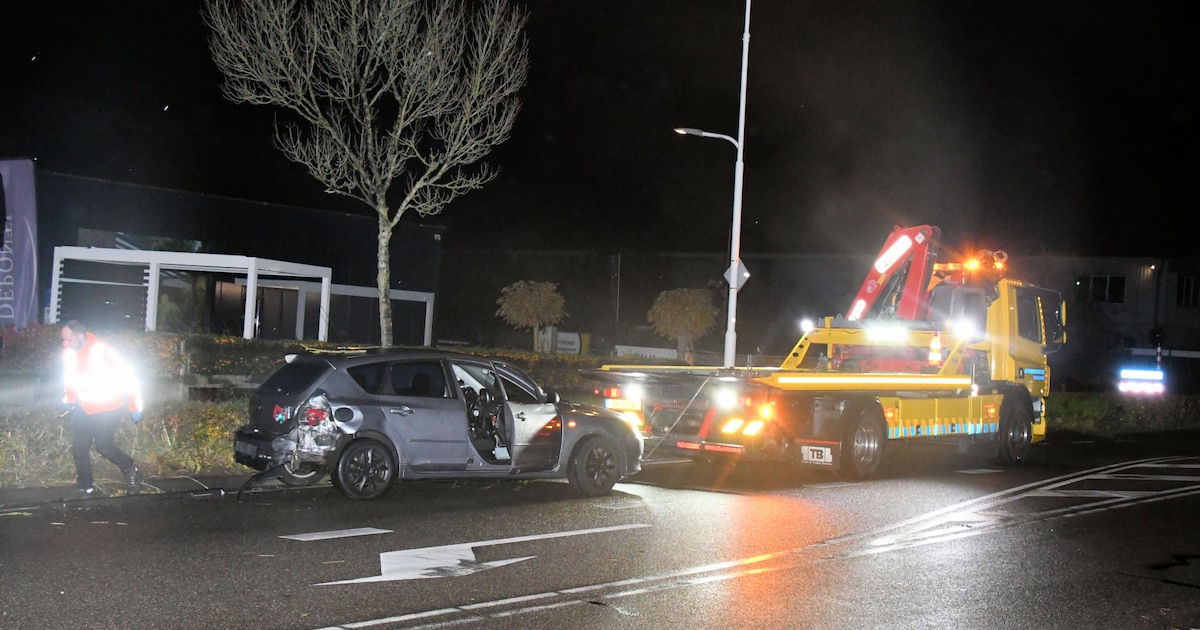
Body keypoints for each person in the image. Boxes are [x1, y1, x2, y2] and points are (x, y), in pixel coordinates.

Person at [59, 320, 144, 500]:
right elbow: (69, 378)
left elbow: (129, 375)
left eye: (68, 339)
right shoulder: (69, 352)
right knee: (79, 447)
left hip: (109, 405)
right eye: (64, 340)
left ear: (80, 336)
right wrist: (69, 400)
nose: (65, 343)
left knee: (103, 446)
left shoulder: (103, 350)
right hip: (85, 406)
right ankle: (85, 488)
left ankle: (131, 469)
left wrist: (135, 404)